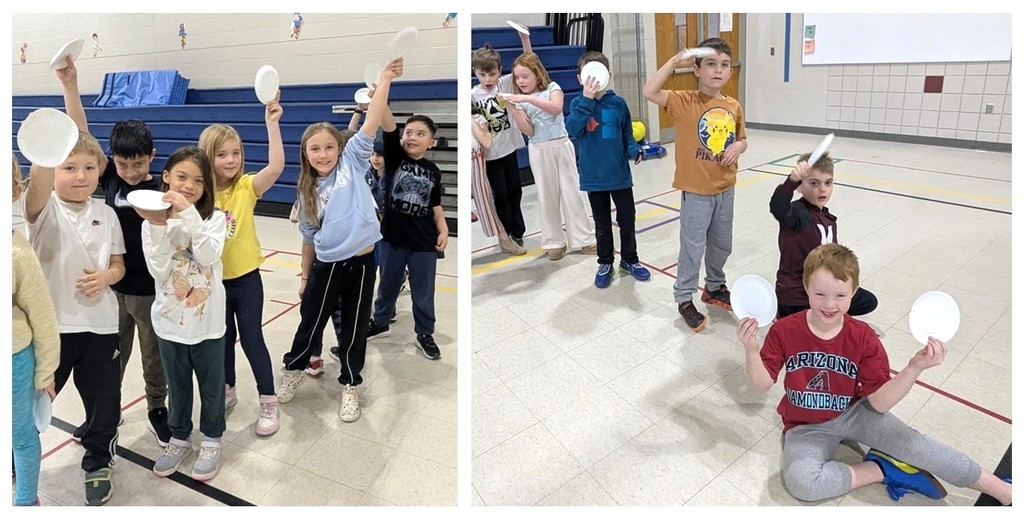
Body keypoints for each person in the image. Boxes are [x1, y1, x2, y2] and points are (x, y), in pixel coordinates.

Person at [736, 243, 1012, 505]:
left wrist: (913, 368)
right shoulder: (785, 330)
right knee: (802, 484)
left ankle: (1001, 489)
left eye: (840, 296)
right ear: (806, 288)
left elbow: (879, 403)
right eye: (820, 294)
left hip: (857, 411)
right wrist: (751, 350)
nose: (829, 304)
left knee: (920, 446)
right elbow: (761, 385)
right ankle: (882, 468)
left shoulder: (863, 337)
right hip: (805, 425)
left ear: (854, 293)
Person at [277, 58, 403, 423]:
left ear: (339, 148)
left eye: (328, 147)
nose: (322, 154)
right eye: (314, 149)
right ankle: (295, 370)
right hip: (326, 265)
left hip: (363, 262)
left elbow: (372, 119)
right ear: (306, 154)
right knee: (310, 323)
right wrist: (303, 277)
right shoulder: (306, 191)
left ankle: (350, 384)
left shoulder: (353, 160)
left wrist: (384, 82)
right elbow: (307, 240)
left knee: (353, 326)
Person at [57, 57, 171, 447]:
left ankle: (158, 408)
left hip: (151, 290)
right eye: (122, 163)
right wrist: (71, 85)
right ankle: (106, 413)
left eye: (138, 164)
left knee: (152, 356)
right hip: (111, 288)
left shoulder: (161, 187)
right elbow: (80, 133)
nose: (130, 171)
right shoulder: (107, 175)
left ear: (152, 157)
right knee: (111, 357)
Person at [22, 131, 125, 506]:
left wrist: (107, 277)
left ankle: (98, 459)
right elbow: (38, 184)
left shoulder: (107, 214)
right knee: (33, 397)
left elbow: (118, 265)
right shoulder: (43, 207)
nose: (80, 176)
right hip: (53, 329)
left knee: (104, 400)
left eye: (89, 167)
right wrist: (49, 142)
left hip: (100, 326)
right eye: (69, 168)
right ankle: (19, 452)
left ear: (100, 170)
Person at [643, 38, 748, 332]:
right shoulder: (683, 101)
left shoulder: (733, 106)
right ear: (697, 69)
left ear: (729, 72)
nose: (718, 70)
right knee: (692, 247)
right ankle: (684, 297)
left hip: (726, 188)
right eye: (711, 64)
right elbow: (649, 91)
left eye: (724, 65)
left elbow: (743, 139)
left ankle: (714, 287)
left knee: (721, 244)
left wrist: (738, 148)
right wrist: (674, 61)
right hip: (696, 191)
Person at [138, 147, 227, 482]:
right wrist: (159, 226)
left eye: (199, 181)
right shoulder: (151, 224)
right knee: (177, 385)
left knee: (212, 385)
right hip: (169, 323)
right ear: (166, 177)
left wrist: (189, 214)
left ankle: (212, 438)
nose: (190, 185)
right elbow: (160, 272)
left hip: (207, 324)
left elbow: (206, 256)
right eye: (182, 177)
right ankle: (178, 437)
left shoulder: (215, 219)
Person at [198, 92, 284, 436]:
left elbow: (276, 167)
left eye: (236, 153)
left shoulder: (247, 186)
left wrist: (272, 125)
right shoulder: (200, 194)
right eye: (222, 155)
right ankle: (227, 389)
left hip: (246, 280)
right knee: (221, 340)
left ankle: (268, 401)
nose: (231, 160)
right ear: (208, 157)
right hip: (213, 281)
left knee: (252, 339)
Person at [366, 105, 448, 360]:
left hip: (424, 242)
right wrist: (381, 96)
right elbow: (388, 123)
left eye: (420, 133)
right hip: (393, 239)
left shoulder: (433, 171)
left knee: (423, 292)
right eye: (408, 132)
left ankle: (425, 333)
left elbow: (435, 205)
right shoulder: (394, 159)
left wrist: (443, 228)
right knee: (387, 286)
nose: (412, 137)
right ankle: (380, 323)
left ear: (431, 142)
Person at [565, 51, 649, 286]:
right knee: (602, 225)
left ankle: (630, 259)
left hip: (620, 176)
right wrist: (587, 100)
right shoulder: (578, 104)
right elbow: (573, 129)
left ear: (607, 75)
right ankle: (605, 262)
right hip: (594, 178)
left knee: (627, 220)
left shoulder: (618, 103)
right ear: (580, 78)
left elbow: (626, 135)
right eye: (587, 75)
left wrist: (634, 150)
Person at [506, 52, 597, 260]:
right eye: (517, 77)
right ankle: (554, 241)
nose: (520, 81)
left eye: (524, 76)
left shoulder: (552, 88)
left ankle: (585, 239)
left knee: (571, 193)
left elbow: (556, 109)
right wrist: (514, 109)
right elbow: (528, 131)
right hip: (538, 150)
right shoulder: (520, 101)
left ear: (537, 75)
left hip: (561, 146)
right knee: (546, 196)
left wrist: (526, 98)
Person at [770, 152, 877, 318]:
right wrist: (790, 181)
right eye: (814, 183)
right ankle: (790, 316)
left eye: (828, 183)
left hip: (822, 288)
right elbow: (778, 206)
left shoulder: (828, 220)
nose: (822, 189)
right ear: (799, 186)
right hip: (797, 295)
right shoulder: (796, 213)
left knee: (867, 301)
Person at [12, 157, 60, 506]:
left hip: (14, 362)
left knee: (21, 434)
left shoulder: (16, 250)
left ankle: (26, 500)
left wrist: (45, 372)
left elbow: (42, 317)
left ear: (15, 190)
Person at [471, 31, 530, 251]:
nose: (488, 80)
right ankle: (505, 234)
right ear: (476, 72)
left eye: (492, 74)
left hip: (509, 151)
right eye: (482, 74)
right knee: (501, 195)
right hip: (490, 156)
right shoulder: (472, 95)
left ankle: (518, 231)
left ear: (500, 72)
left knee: (516, 190)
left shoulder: (504, 85)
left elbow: (528, 64)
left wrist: (525, 40)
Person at [471, 112, 526, 255]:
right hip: (485, 160)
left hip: (482, 158)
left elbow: (487, 141)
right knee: (498, 197)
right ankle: (505, 235)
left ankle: (509, 235)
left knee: (507, 194)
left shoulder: (477, 118)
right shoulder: (474, 94)